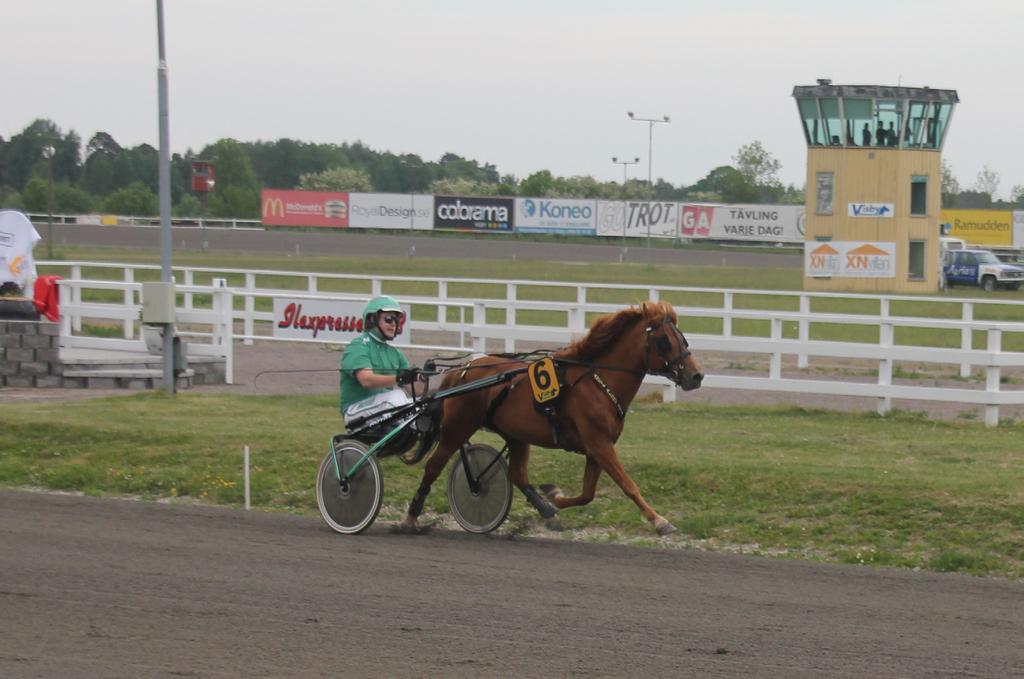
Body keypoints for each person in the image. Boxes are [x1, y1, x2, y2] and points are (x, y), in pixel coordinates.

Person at [339, 295, 414, 428]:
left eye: (396, 320)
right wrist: (401, 378)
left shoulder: (395, 353)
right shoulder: (358, 346)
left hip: (384, 409)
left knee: (424, 404)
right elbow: (366, 380)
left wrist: (424, 378)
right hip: (355, 412)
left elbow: (416, 390)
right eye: (389, 319)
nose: (393, 324)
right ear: (372, 319)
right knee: (396, 396)